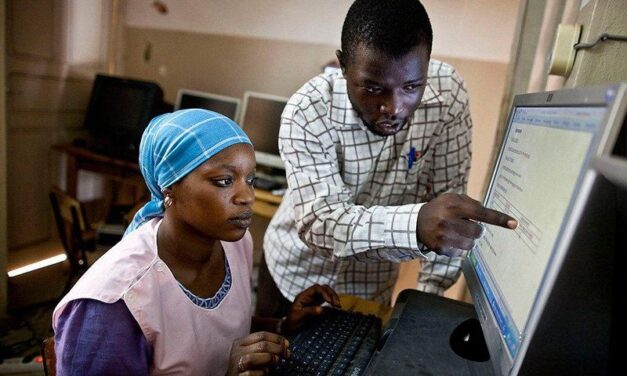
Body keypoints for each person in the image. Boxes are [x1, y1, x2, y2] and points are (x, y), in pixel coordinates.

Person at [257, 0, 517, 317]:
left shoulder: (448, 95)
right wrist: (416, 224)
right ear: (343, 66)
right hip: (293, 277)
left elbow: (449, 208)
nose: (393, 107)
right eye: (373, 88)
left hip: (370, 291)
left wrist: (426, 300)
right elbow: (320, 224)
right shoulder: (308, 111)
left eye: (411, 86)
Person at [52, 109, 341, 375]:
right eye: (224, 181)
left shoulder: (235, 244)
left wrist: (283, 326)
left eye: (250, 180)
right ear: (169, 188)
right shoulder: (111, 306)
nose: (247, 197)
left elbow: (211, 332)